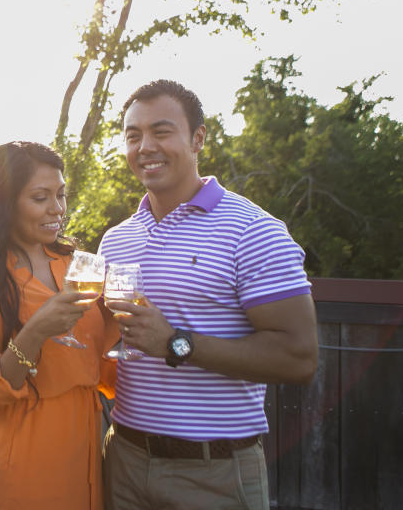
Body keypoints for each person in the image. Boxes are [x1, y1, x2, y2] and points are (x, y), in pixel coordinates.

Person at [98, 79, 318, 510]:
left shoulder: (254, 231)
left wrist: (176, 344)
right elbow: (106, 340)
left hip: (214, 473)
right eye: (133, 135)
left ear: (198, 138)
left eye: (161, 132)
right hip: (121, 459)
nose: (145, 146)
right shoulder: (116, 241)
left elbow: (299, 359)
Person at [0, 141, 117, 508]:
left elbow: (102, 368)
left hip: (86, 448)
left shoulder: (74, 264)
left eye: (61, 195)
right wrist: (36, 332)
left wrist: (127, 325)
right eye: (41, 197)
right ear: (5, 202)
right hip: (20, 458)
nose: (57, 209)